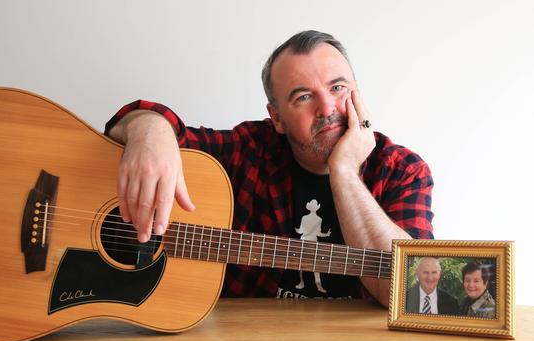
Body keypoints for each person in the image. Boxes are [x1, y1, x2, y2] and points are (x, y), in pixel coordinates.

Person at [104, 30, 434, 307]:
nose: (327, 107)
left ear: (358, 95)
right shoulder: (249, 150)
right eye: (304, 97)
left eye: (337, 88)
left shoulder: (402, 170)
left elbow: (408, 292)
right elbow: (149, 127)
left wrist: (345, 170)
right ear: (276, 117)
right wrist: (149, 131)